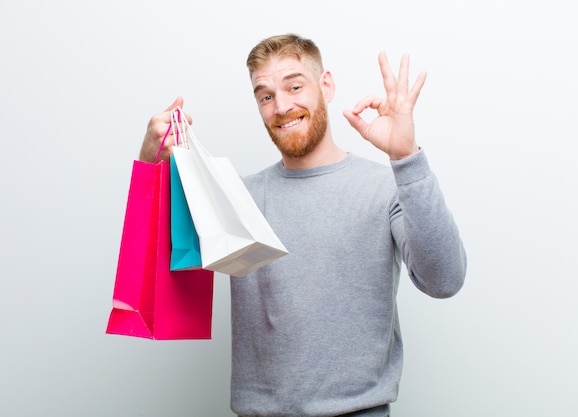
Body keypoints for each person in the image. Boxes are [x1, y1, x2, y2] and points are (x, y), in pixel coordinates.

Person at [139, 34, 466, 417]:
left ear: (325, 85)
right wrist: (151, 166)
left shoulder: (385, 189)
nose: (281, 106)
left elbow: (444, 281)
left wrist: (406, 157)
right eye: (265, 96)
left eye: (294, 86)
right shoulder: (237, 200)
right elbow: (159, 275)